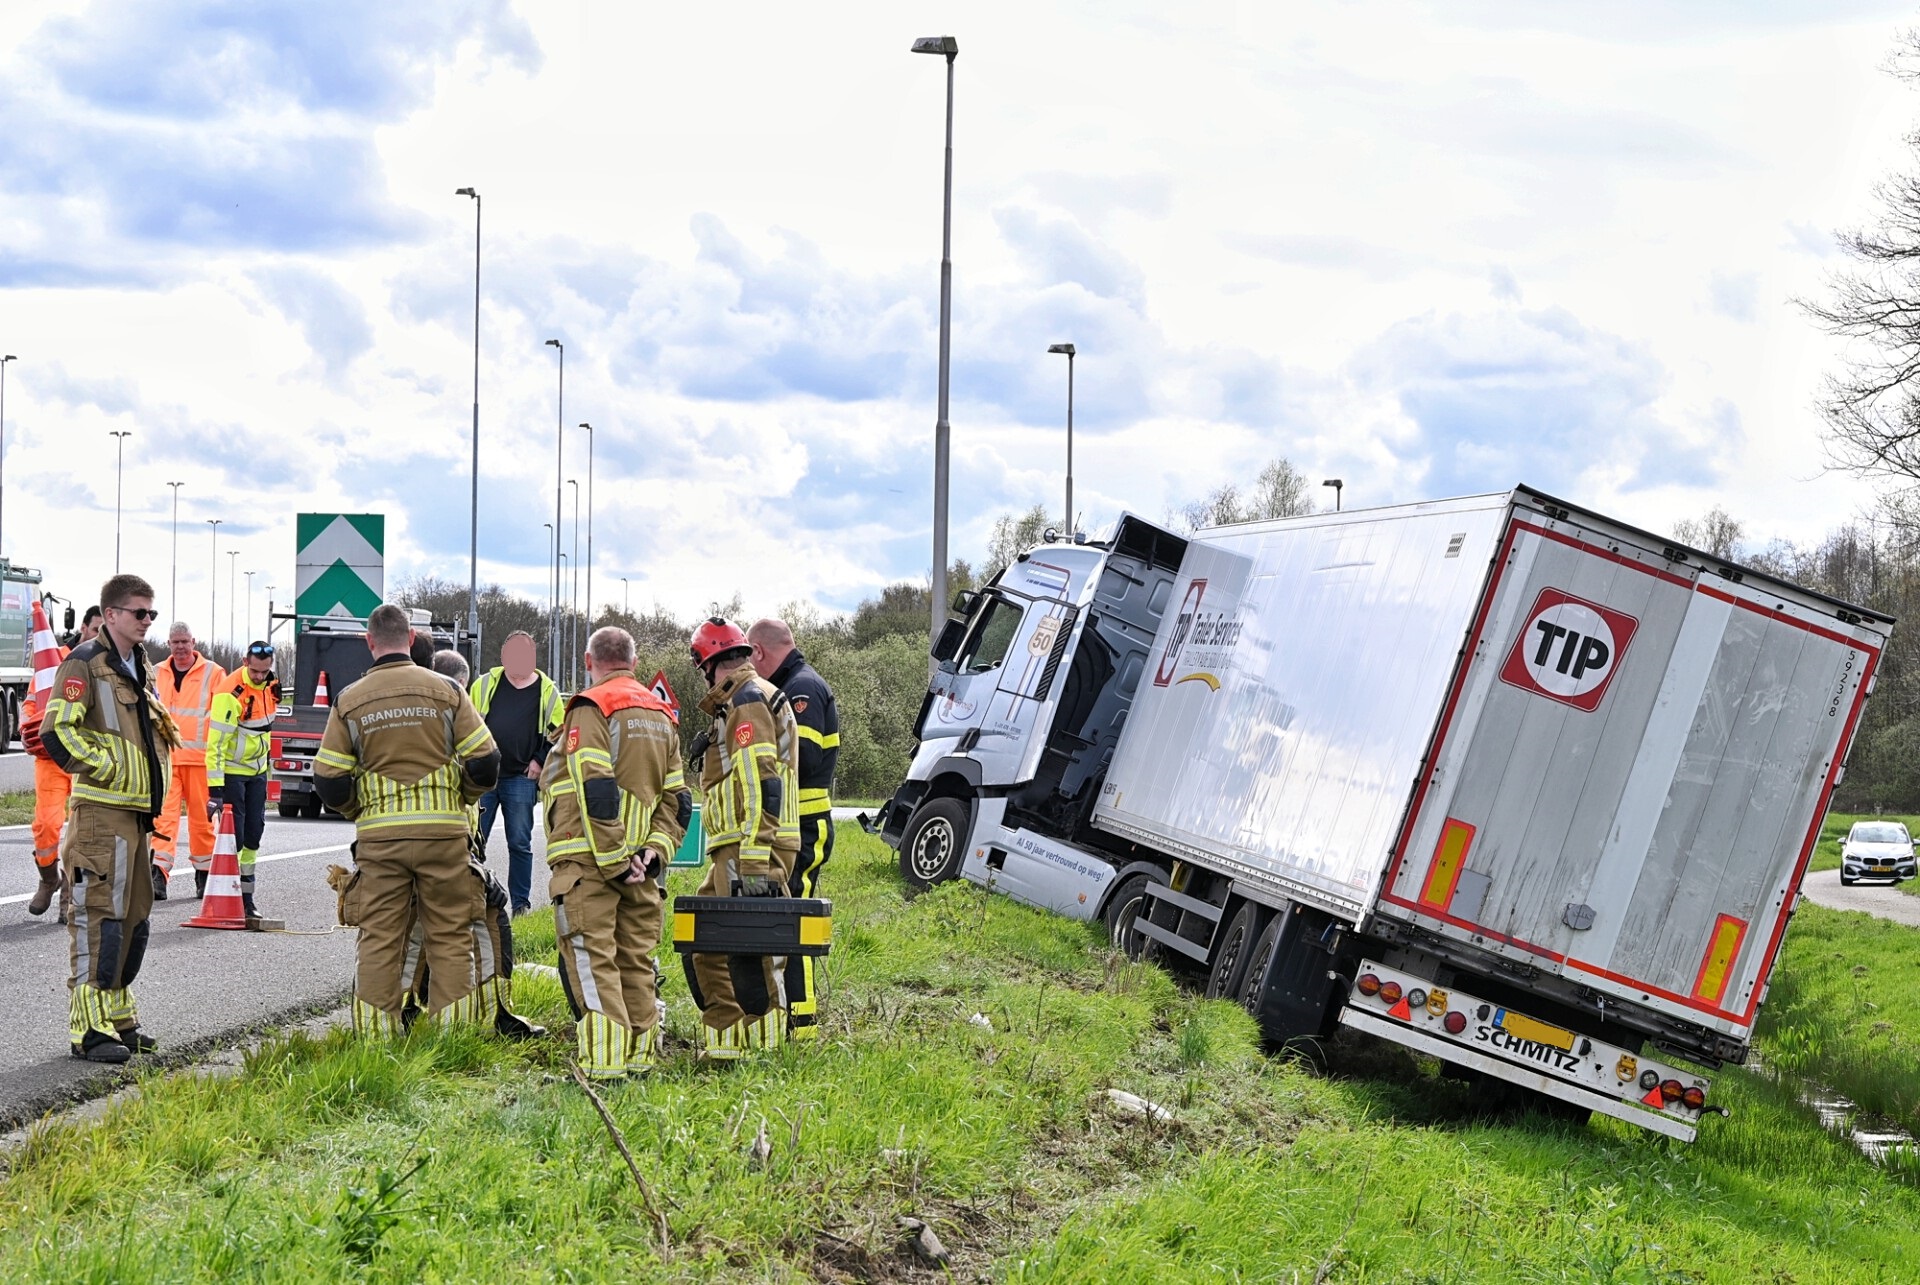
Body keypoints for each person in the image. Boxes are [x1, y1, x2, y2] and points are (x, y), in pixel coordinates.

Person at [313, 603, 500, 1035]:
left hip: (381, 843)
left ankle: (377, 1042)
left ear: (369, 642)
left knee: (379, 939)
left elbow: (328, 780)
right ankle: (452, 1039)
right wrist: (461, 796)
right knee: (450, 935)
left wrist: (359, 809)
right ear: (412, 639)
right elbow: (486, 762)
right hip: (444, 838)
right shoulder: (448, 692)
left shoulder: (350, 700)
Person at [40, 576, 177, 1063]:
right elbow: (56, 731)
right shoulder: (84, 664)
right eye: (139, 613)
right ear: (112, 613)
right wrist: (109, 765)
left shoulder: (139, 665)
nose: (147, 622)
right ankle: (87, 1030)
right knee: (98, 919)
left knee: (134, 919)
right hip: (101, 814)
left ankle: (119, 1018)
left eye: (151, 614)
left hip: (136, 817)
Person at [542, 625, 687, 1077]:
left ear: (589, 662)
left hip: (592, 861)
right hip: (642, 865)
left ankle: (604, 1068)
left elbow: (595, 785)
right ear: (634, 662)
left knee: (592, 958)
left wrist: (615, 860)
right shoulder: (662, 714)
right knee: (636, 962)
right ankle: (641, 1061)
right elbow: (677, 801)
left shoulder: (591, 706)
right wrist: (653, 854)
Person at [685, 617, 800, 1059]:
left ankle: (763, 1051)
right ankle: (727, 1042)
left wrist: (753, 861)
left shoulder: (747, 700)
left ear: (707, 663)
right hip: (735, 845)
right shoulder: (742, 699)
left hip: (751, 846)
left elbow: (760, 781)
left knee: (752, 950)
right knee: (708, 942)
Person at [748, 617, 840, 1041]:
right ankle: (791, 1014)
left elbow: (797, 762)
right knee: (788, 918)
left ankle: (801, 1024)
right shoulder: (796, 684)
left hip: (805, 826)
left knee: (795, 920)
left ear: (760, 653)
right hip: (797, 826)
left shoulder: (801, 689)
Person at [471, 630, 564, 916]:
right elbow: (467, 724)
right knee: (473, 842)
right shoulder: (485, 684)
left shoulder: (547, 690)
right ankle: (472, 901)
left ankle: (520, 906)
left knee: (520, 844)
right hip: (483, 777)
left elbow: (558, 734)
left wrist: (539, 760)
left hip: (521, 778)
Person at [22, 605, 98, 922]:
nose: (98, 635)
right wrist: (28, 726)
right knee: (46, 825)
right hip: (51, 759)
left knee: (81, 832)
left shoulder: (105, 666)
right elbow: (31, 703)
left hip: (84, 759)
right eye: (95, 629)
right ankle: (49, 878)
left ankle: (71, 894)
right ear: (84, 628)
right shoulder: (53, 660)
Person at [205, 642, 281, 919]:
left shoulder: (271, 683)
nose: (260, 676)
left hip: (257, 773)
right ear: (244, 662)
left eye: (265, 670)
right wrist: (215, 789)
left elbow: (264, 729)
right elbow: (215, 744)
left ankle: (247, 899)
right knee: (234, 840)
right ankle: (227, 895)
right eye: (255, 670)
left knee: (253, 837)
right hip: (233, 774)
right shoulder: (230, 691)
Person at [151, 623, 226, 900]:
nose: (180, 647)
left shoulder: (214, 674)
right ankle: (157, 875)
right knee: (162, 819)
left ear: (193, 642)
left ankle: (204, 875)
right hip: (166, 761)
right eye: (175, 642)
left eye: (184, 641)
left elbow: (223, 718)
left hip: (200, 762)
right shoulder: (156, 672)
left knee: (202, 822)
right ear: (169, 644)